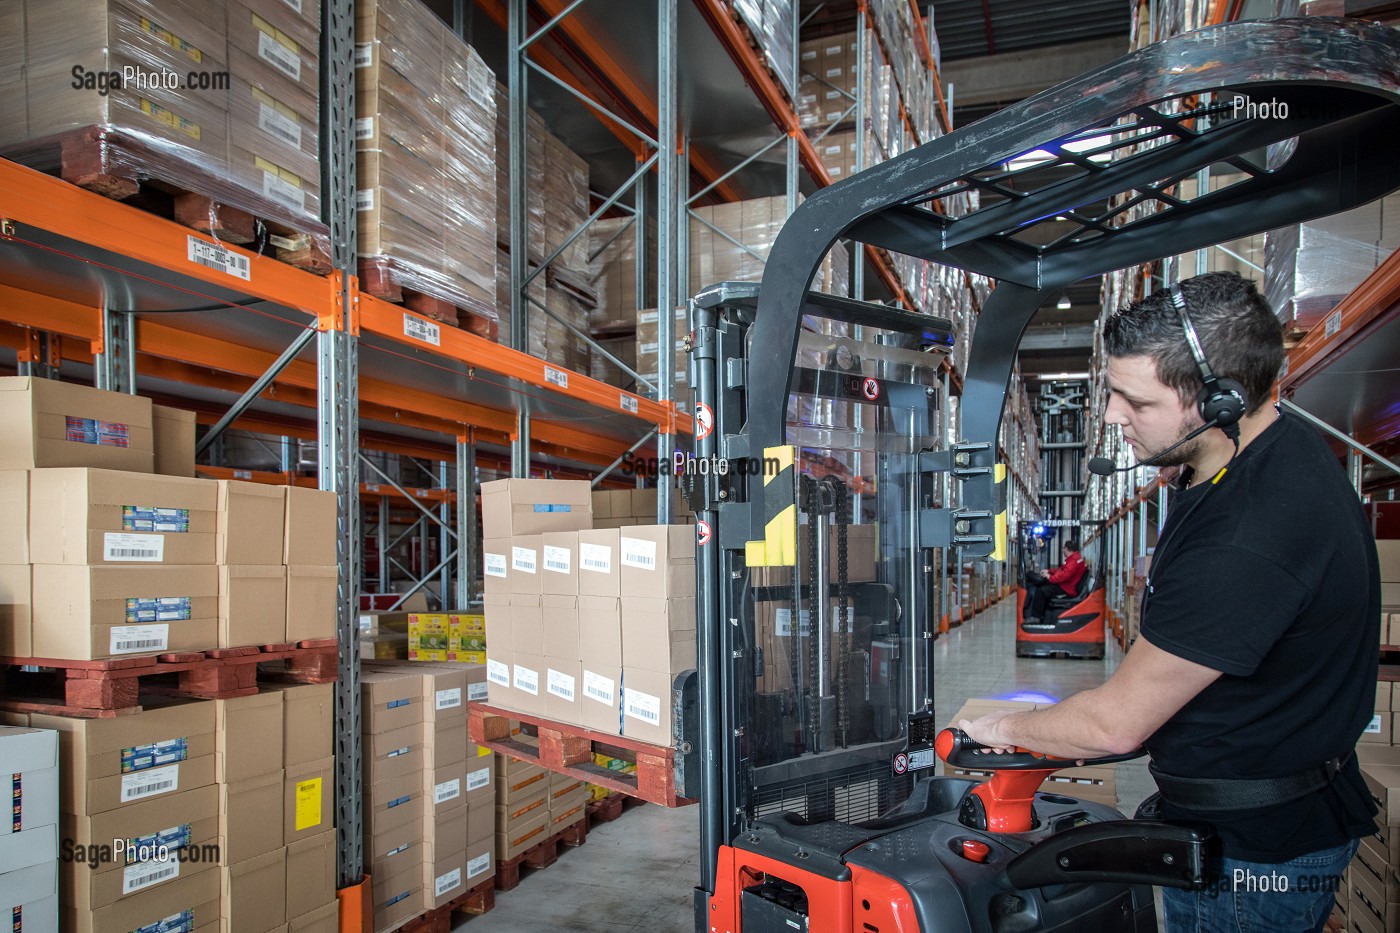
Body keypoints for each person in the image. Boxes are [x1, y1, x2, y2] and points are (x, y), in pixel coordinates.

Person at [961, 272, 1380, 933]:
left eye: (1135, 401)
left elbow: (1114, 725)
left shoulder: (1251, 532)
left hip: (1251, 861)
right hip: (1245, 814)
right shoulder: (1248, 455)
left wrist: (996, 728)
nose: (1110, 416)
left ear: (1219, 401)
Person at [1022, 539, 1086, 622]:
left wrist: (1050, 578)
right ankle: (1042, 614)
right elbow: (1062, 570)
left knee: (1041, 591)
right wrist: (1049, 571)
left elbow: (1064, 575)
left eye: (1063, 548)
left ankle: (1035, 617)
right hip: (1067, 584)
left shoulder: (1074, 560)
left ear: (1066, 549)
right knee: (1043, 586)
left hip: (1067, 587)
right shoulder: (1074, 558)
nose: (1063, 550)